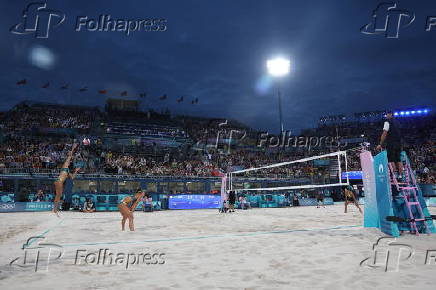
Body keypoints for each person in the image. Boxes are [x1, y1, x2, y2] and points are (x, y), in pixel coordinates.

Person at [53, 144, 81, 216]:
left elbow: (72, 177)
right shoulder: (65, 166)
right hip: (59, 181)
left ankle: (54, 209)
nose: (69, 162)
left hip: (59, 182)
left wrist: (76, 171)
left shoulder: (68, 172)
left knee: (58, 196)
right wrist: (73, 148)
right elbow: (69, 156)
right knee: (58, 196)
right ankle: (54, 210)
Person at [376, 110, 403, 180]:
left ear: (391, 114)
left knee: (391, 159)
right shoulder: (397, 122)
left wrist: (380, 144)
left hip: (391, 143)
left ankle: (394, 175)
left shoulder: (387, 122)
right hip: (399, 143)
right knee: (398, 159)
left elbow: (384, 133)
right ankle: (400, 175)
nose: (386, 116)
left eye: (387, 114)